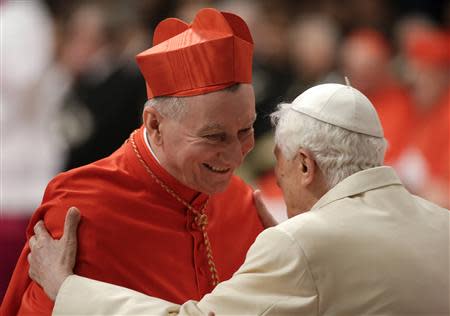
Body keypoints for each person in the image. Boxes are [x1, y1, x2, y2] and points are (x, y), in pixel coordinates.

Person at [28, 83, 449, 315]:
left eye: (279, 166)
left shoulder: (303, 244)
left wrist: (66, 288)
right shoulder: (442, 225)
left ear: (305, 166)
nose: (276, 184)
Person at [1, 8, 264, 315]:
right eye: (214, 136)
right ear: (154, 125)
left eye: (246, 130)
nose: (235, 156)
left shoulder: (244, 203)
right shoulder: (82, 208)